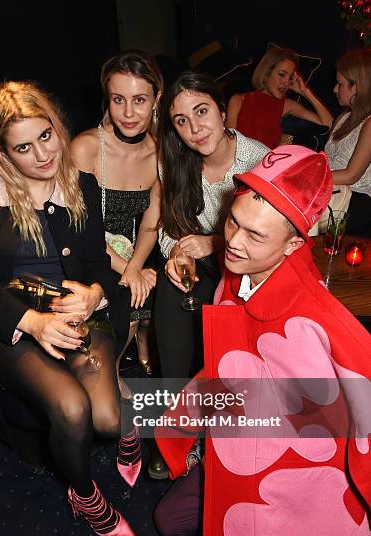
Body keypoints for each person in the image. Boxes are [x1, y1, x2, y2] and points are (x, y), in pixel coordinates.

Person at [155, 145, 371, 536]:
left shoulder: (321, 319)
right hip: (233, 444)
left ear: (294, 245)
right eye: (233, 221)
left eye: (255, 235)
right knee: (169, 521)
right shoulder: (236, 272)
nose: (233, 241)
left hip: (294, 479)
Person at [0, 81, 141, 536]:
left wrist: (95, 293)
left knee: (106, 417)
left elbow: (102, 266)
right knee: (71, 408)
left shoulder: (82, 184)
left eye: (46, 136)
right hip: (16, 327)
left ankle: (125, 414)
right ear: (3, 152)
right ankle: (84, 496)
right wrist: (34, 322)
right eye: (23, 147)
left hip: (83, 314)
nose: (43, 155)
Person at [155, 71, 269, 379]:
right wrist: (177, 251)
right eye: (181, 121)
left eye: (201, 111)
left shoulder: (259, 161)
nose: (194, 129)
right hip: (205, 268)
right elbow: (168, 227)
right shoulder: (173, 164)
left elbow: (272, 242)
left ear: (221, 111)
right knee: (172, 288)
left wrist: (217, 242)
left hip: (250, 274)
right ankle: (174, 406)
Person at [71, 50, 163, 396]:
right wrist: (128, 270)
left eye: (139, 100)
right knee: (125, 292)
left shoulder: (161, 151)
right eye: (118, 99)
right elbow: (79, 227)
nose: (128, 113)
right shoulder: (86, 148)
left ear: (157, 99)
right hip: (94, 248)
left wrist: (136, 265)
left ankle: (141, 332)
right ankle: (113, 366)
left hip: (140, 245)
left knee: (165, 282)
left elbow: (152, 221)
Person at [226, 45, 333, 149]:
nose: (286, 82)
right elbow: (228, 144)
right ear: (266, 72)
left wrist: (305, 91)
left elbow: (328, 123)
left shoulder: (287, 105)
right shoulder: (238, 100)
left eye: (290, 77)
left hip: (269, 165)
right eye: (282, 74)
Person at [325, 48, 371, 237]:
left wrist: (310, 177)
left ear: (358, 86)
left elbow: (351, 175)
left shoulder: (370, 122)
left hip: (355, 203)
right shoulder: (345, 117)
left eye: (340, 83)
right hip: (333, 194)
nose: (335, 89)